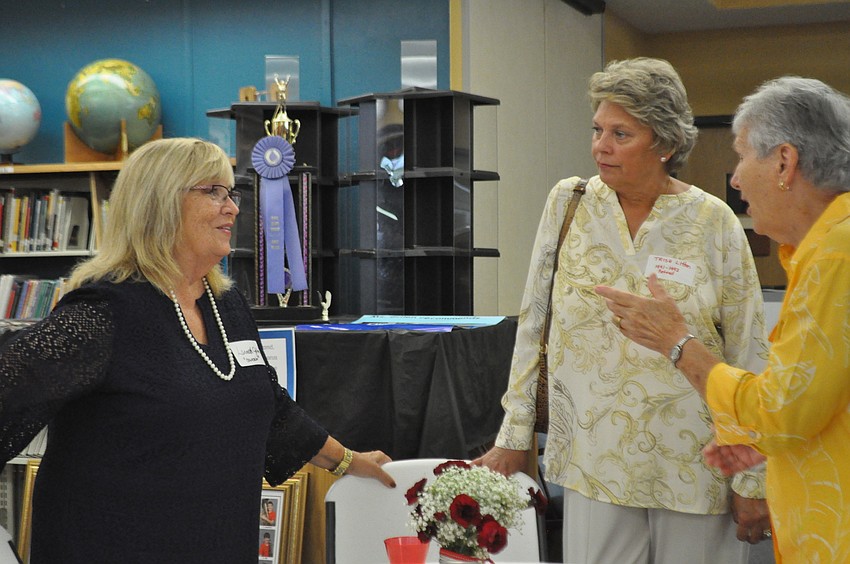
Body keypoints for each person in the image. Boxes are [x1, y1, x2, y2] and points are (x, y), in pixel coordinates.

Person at [0, 138, 396, 563]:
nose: (233, 208)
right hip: (112, 546)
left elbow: (269, 406)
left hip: (216, 543)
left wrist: (346, 460)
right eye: (213, 192)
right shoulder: (103, 312)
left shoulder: (225, 304)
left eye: (231, 193)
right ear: (160, 203)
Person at [474, 57, 771, 563]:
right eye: (597, 130)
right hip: (593, 458)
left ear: (666, 144)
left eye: (621, 133)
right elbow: (533, 327)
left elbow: (748, 351)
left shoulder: (712, 221)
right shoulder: (568, 203)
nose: (600, 146)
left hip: (695, 463)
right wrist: (513, 436)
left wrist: (752, 477)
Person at [596, 76, 850, 563]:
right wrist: (760, 445)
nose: (734, 178)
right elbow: (811, 404)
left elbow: (783, 413)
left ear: (784, 161)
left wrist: (677, 344)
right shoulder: (823, 248)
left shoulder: (834, 258)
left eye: (740, 156)